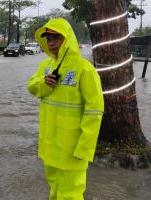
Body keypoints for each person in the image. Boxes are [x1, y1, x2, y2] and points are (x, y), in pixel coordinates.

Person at [27, 18, 104, 199]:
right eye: (48, 39)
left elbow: (95, 111)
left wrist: (85, 148)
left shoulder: (84, 69)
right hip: (50, 147)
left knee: (70, 194)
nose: (51, 43)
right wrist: (44, 83)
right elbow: (32, 87)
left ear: (67, 38)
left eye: (56, 38)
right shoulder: (46, 66)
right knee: (54, 191)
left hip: (72, 150)